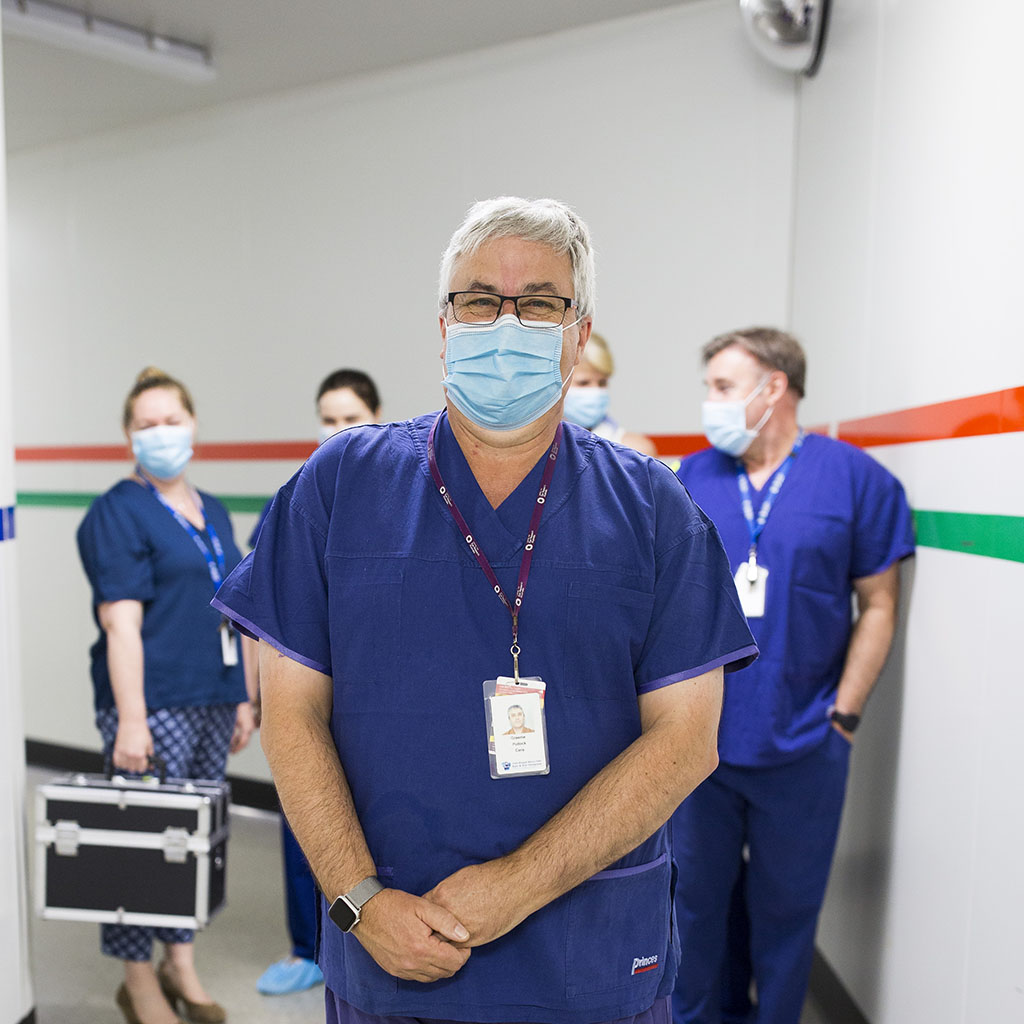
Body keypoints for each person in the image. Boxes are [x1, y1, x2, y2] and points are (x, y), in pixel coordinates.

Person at [212, 196, 758, 1024]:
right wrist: (360, 901)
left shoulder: (651, 507)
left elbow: (687, 741)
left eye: (540, 302)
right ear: (444, 326)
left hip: (591, 959)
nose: (506, 323)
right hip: (393, 950)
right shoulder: (341, 486)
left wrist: (513, 886)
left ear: (578, 334)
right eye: (479, 301)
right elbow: (291, 717)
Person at [670, 328, 915, 1024]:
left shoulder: (855, 481)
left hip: (805, 744)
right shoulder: (694, 478)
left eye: (721, 387)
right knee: (694, 911)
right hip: (699, 747)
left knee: (786, 919)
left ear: (772, 387)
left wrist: (844, 716)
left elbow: (879, 605)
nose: (709, 403)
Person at [77, 367, 257, 1024]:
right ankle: (138, 981)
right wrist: (130, 720)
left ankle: (180, 964)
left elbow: (235, 612)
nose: (161, 434)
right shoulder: (116, 512)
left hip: (210, 696)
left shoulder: (212, 509)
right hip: (149, 707)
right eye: (146, 425)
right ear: (128, 435)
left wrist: (242, 694)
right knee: (139, 844)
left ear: (194, 424)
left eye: (171, 420)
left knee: (193, 839)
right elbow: (120, 622)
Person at [255, 368, 382, 998]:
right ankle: (308, 947)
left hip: (373, 708)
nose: (339, 431)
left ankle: (361, 934)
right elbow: (267, 620)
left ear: (377, 416)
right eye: (328, 419)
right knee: (303, 822)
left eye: (351, 418)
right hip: (308, 700)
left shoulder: (403, 507)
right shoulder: (298, 503)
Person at [562, 331, 657, 455]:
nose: (595, 391)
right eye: (583, 383)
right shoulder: (538, 449)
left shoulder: (635, 451)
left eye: (602, 383)